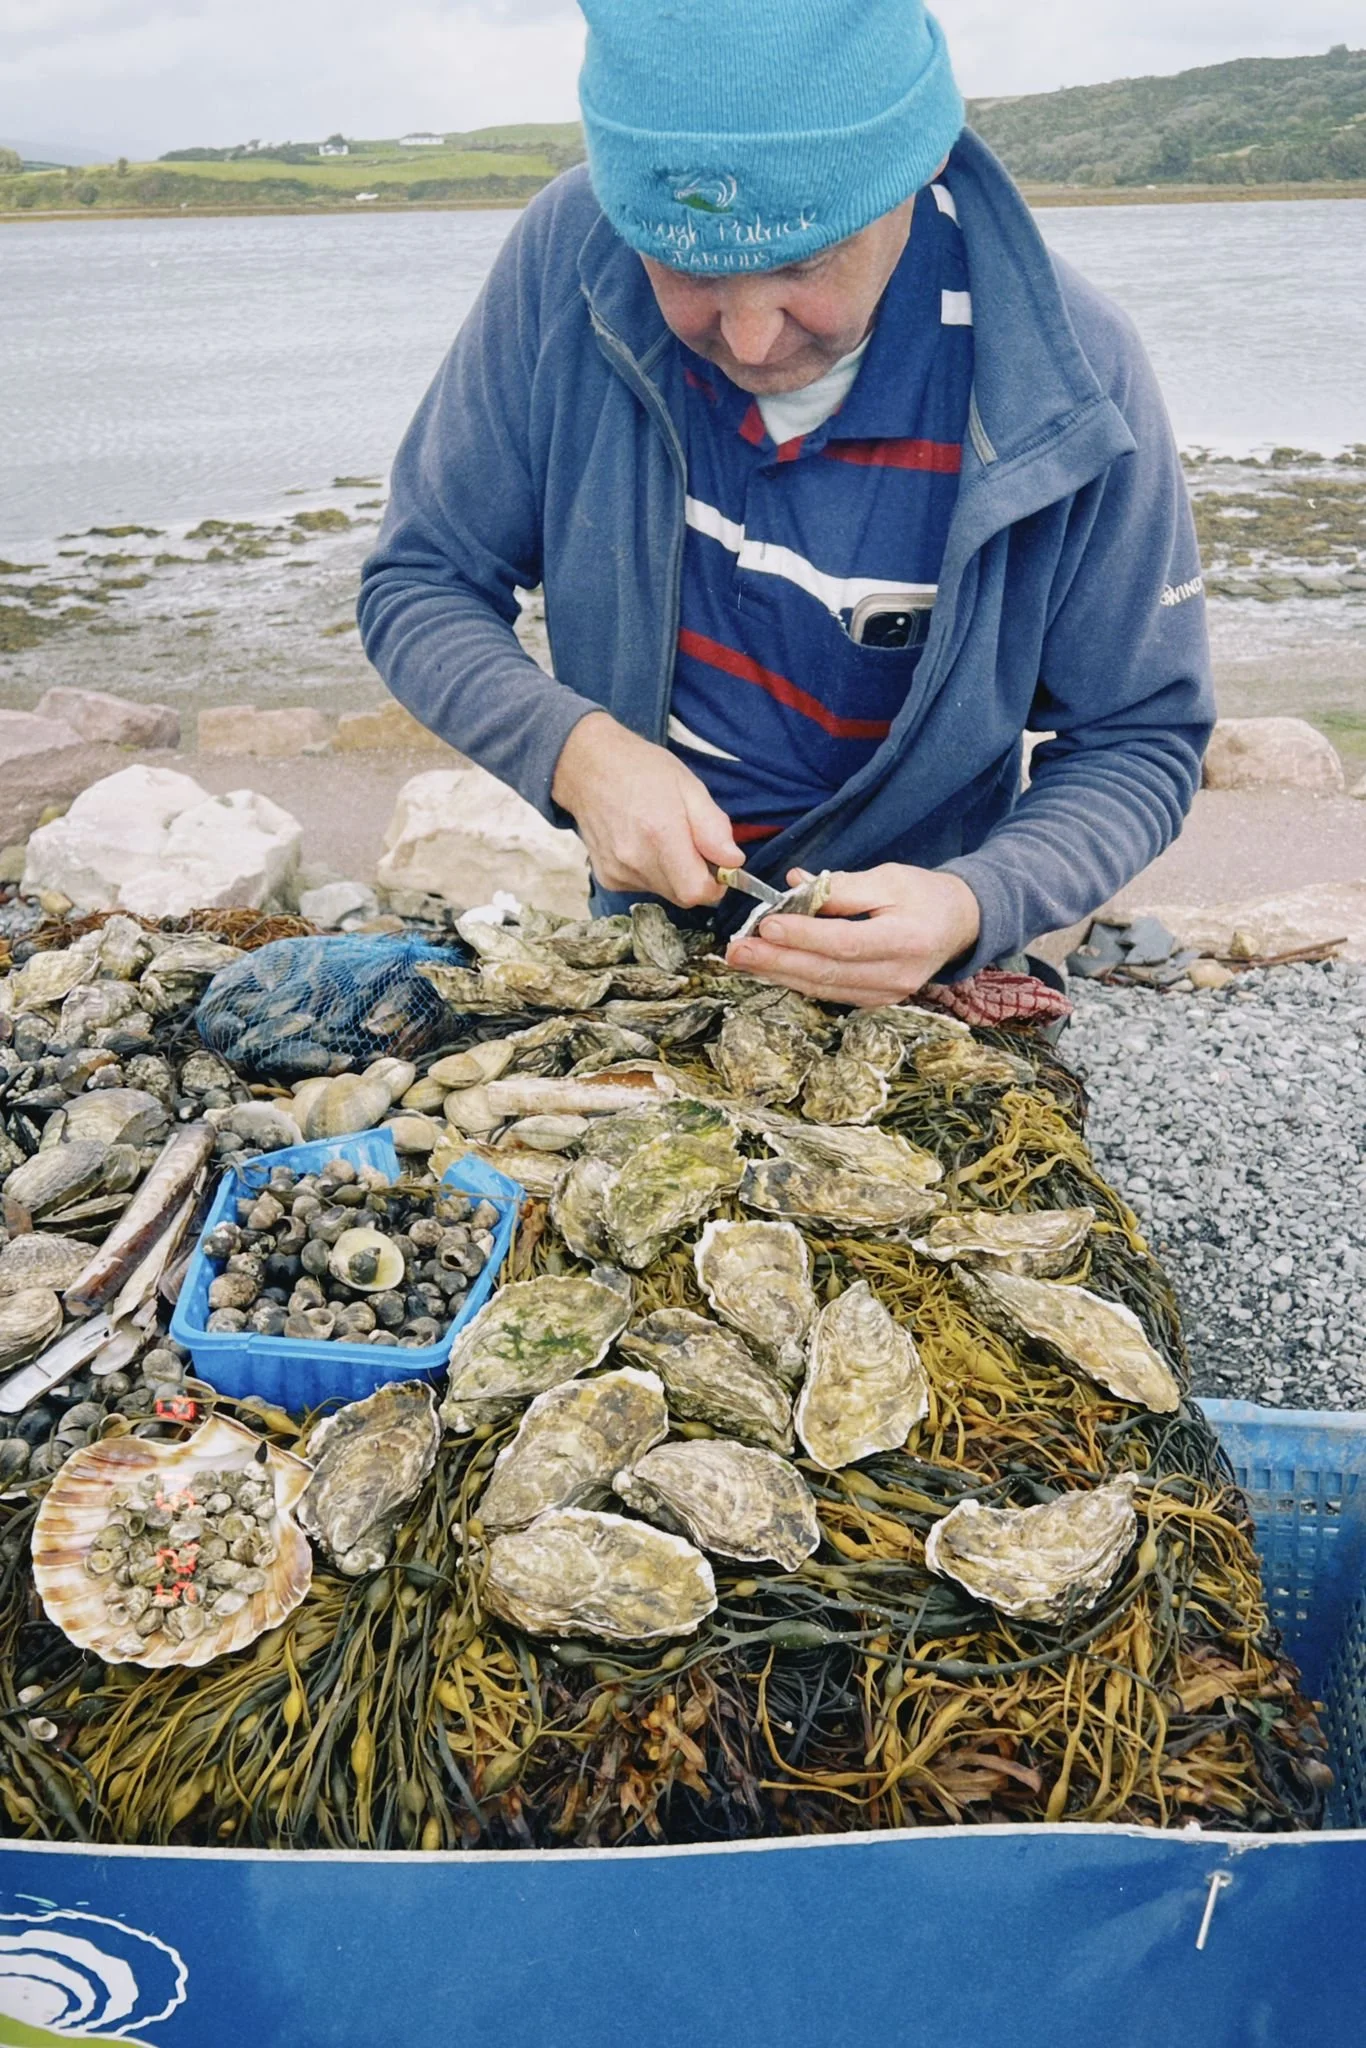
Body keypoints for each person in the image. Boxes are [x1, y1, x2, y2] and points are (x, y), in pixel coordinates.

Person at [358, 0, 1213, 1009]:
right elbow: (419, 582)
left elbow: (1140, 738)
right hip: (646, 955)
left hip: (926, 972)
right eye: (685, 272)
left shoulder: (1072, 372)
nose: (751, 338)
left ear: (916, 169)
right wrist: (578, 755)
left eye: (802, 265)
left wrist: (974, 901)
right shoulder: (567, 258)